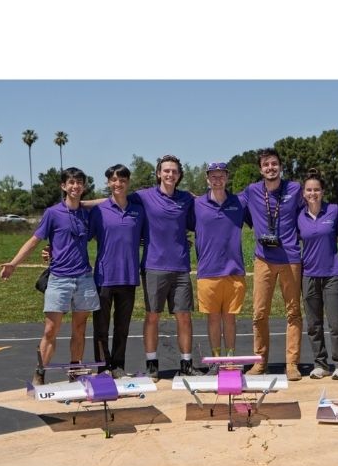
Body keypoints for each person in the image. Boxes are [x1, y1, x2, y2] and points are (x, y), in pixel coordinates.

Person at [0, 168, 100, 384]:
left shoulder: (86, 212)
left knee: (80, 328)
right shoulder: (53, 213)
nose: (76, 186)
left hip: (84, 278)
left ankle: (75, 370)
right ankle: (40, 372)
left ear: (84, 186)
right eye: (71, 182)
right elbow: (34, 241)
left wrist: (115, 194)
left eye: (80, 183)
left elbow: (108, 201)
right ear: (63, 186)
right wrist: (14, 264)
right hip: (59, 278)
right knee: (50, 329)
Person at [241, 147, 303, 381]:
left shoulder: (295, 189)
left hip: (291, 258)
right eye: (266, 165)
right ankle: (260, 362)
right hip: (263, 259)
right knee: (259, 313)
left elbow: (307, 211)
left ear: (280, 166)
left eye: (274, 164)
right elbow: (234, 208)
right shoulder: (252, 191)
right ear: (260, 169)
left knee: (293, 312)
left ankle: (292, 363)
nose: (270, 168)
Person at [132, 154, 196, 380]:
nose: (170, 174)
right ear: (159, 173)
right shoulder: (143, 196)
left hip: (180, 267)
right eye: (166, 170)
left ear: (179, 176)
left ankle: (186, 363)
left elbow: (207, 207)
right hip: (153, 267)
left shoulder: (186, 198)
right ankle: (151, 364)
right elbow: (114, 199)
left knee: (184, 316)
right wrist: (81, 203)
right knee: (152, 316)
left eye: (174, 171)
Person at [89, 164, 145, 378]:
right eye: (114, 180)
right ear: (108, 183)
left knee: (122, 327)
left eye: (122, 180)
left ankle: (118, 365)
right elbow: (81, 237)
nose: (118, 184)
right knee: (101, 328)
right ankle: (103, 367)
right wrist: (54, 249)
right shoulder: (99, 211)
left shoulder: (138, 212)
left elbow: (152, 235)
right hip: (103, 277)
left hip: (128, 277)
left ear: (128, 182)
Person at [193, 162, 247, 371]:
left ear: (227, 178)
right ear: (207, 179)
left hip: (234, 270)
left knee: (230, 319)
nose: (217, 180)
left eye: (221, 176)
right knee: (213, 319)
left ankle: (231, 360)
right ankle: (217, 361)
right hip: (208, 271)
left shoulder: (239, 203)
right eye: (213, 176)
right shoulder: (197, 204)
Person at [297, 171, 338, 380]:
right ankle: (320, 363)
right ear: (303, 193)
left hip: (332, 275)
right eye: (309, 189)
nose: (313, 193)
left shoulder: (334, 211)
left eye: (316, 189)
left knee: (336, 324)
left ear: (323, 191)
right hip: (308, 275)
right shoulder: (299, 215)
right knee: (313, 325)